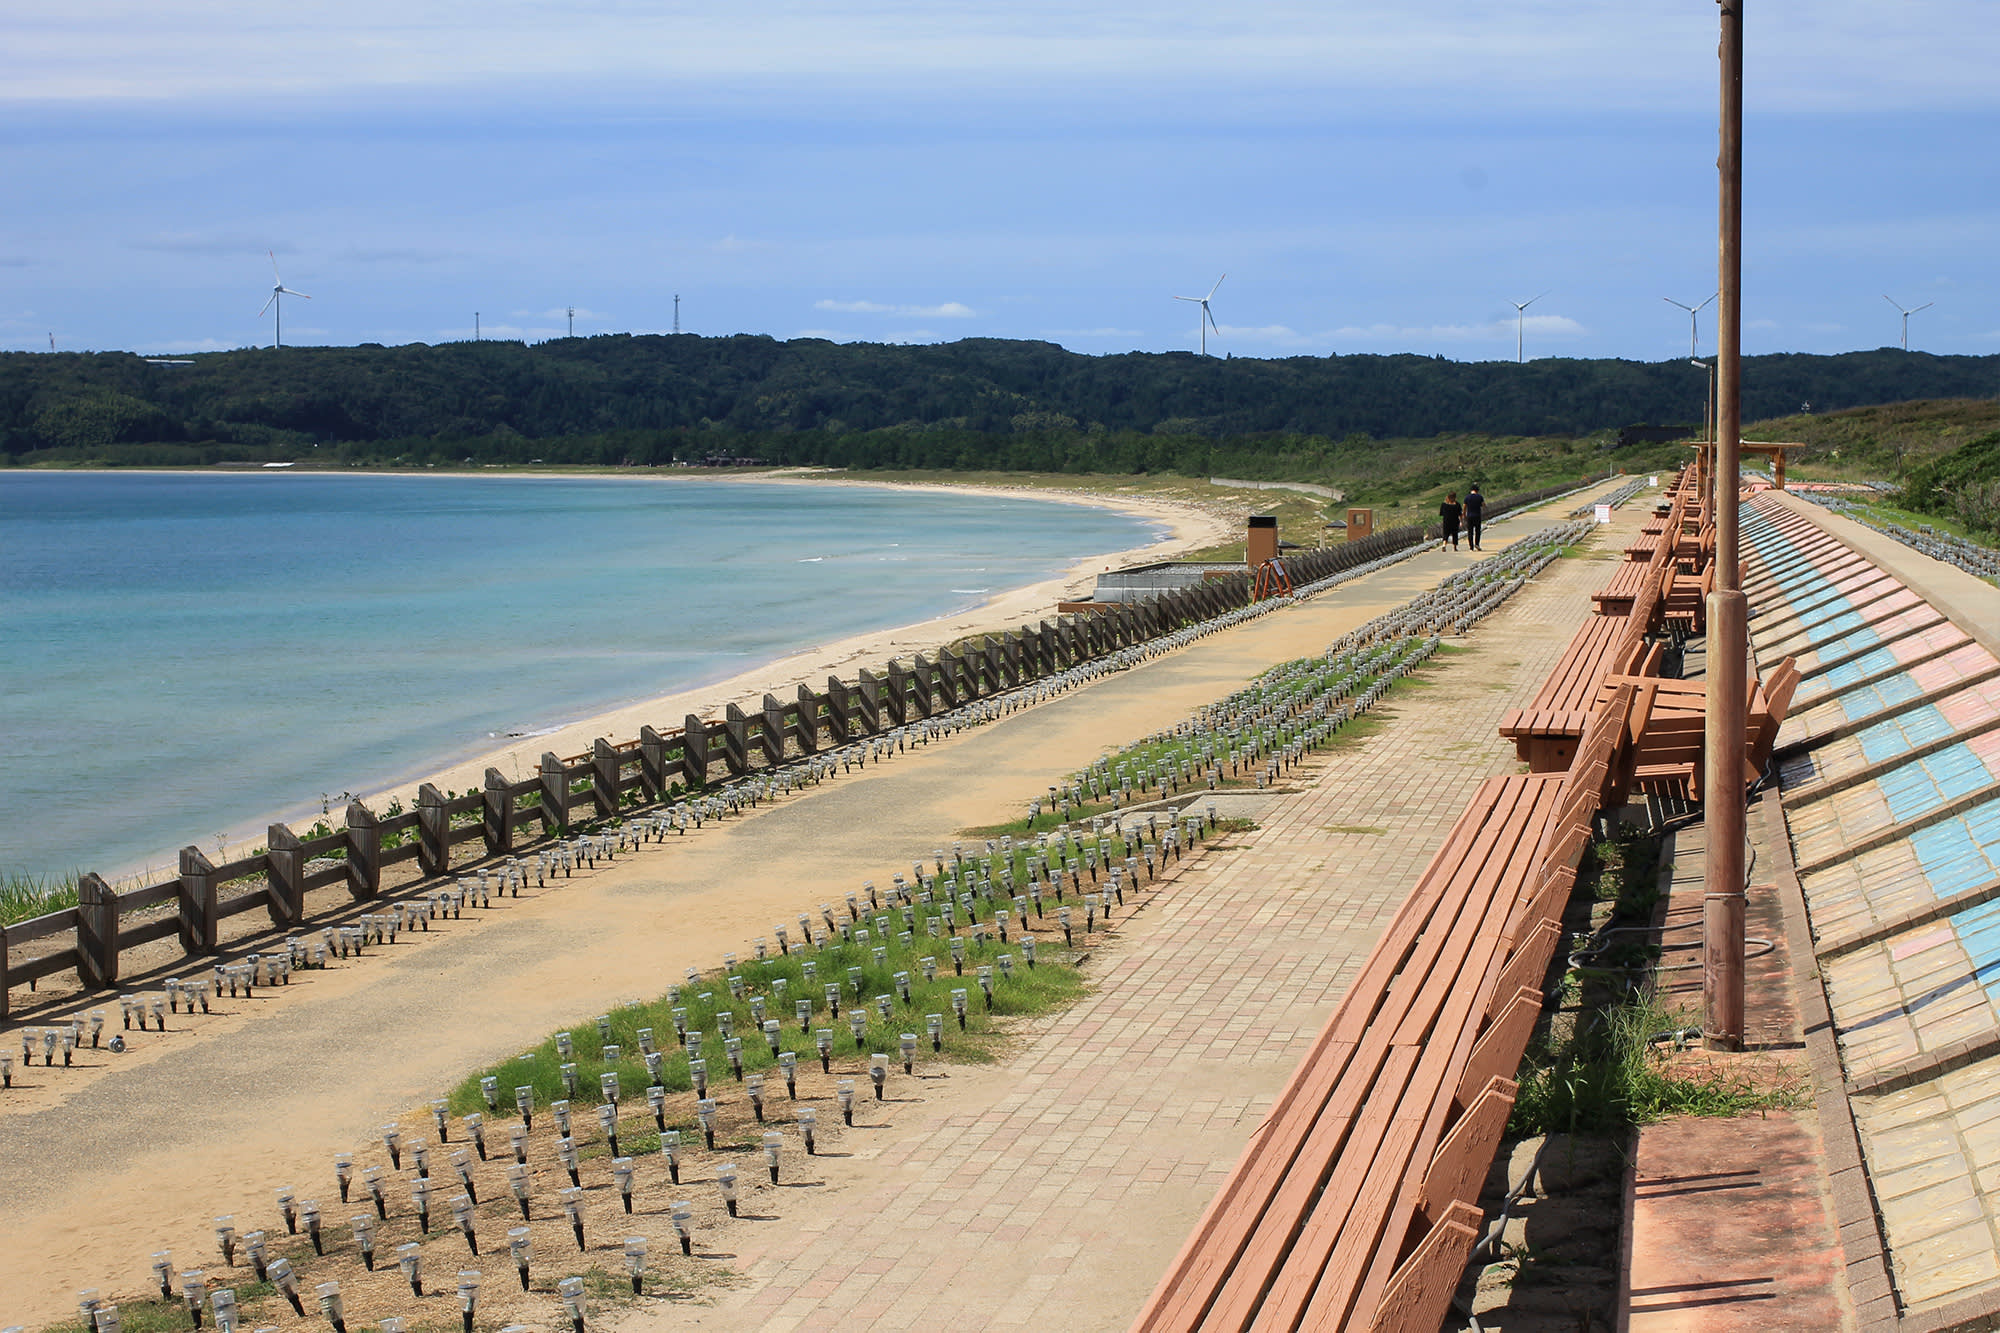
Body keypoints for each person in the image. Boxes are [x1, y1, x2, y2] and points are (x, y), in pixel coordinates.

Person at [1464, 484, 1485, 551]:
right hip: (1477, 516)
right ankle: (1477, 544)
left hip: (1469, 516)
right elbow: (1484, 505)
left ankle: (1471, 547)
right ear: (1477, 490)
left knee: (1470, 532)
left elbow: (1464, 507)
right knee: (1477, 531)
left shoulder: (1467, 497)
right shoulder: (1480, 497)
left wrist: (1464, 515)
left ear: (1471, 490)